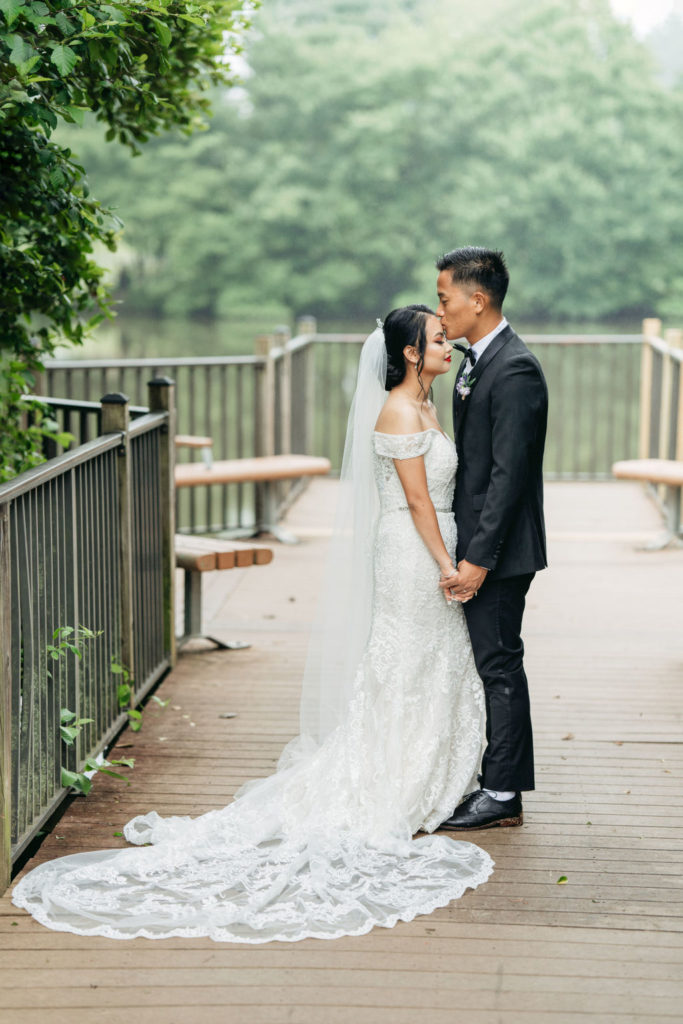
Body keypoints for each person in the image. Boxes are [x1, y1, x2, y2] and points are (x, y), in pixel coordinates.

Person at [11, 305, 492, 943]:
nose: (449, 345)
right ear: (409, 352)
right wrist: (447, 565)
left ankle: (427, 764)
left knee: (431, 657)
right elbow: (414, 499)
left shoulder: (427, 404)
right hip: (413, 552)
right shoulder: (401, 412)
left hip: (432, 546)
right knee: (404, 658)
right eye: (437, 339)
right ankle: (397, 772)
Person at [435, 247, 548, 831]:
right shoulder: (476, 358)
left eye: (445, 298)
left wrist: (478, 557)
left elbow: (510, 476)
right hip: (478, 540)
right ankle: (492, 780)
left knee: (500, 665)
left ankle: (502, 791)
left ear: (478, 300)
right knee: (491, 662)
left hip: (499, 551)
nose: (441, 310)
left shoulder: (515, 368)